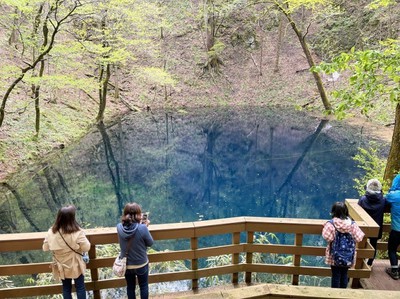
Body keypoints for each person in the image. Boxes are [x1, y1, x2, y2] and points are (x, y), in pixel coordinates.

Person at [43, 205, 91, 299]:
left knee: (66, 288)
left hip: (61, 265)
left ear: (59, 218)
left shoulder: (51, 232)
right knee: (80, 287)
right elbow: (86, 248)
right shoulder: (77, 232)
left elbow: (45, 248)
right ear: (72, 218)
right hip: (75, 264)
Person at [322, 201, 365, 288]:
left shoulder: (331, 224)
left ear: (333, 212)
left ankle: (335, 295)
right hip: (348, 256)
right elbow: (359, 238)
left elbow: (328, 238)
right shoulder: (352, 224)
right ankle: (343, 293)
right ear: (346, 211)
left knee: (336, 275)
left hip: (335, 256)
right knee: (344, 274)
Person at [117, 202, 154, 299]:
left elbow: (130, 229)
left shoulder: (119, 227)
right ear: (139, 214)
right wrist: (145, 227)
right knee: (143, 286)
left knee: (130, 287)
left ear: (125, 214)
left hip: (127, 264)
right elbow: (150, 243)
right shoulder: (142, 228)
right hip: (141, 263)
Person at [358, 178, 387, 266]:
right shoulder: (383, 200)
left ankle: (360, 263)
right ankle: (370, 263)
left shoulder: (363, 200)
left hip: (364, 227)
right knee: (373, 245)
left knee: (361, 244)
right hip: (376, 227)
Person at [385, 173, 400, 280]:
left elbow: (386, 198)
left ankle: (394, 271)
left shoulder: (394, 196)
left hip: (397, 229)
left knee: (392, 249)